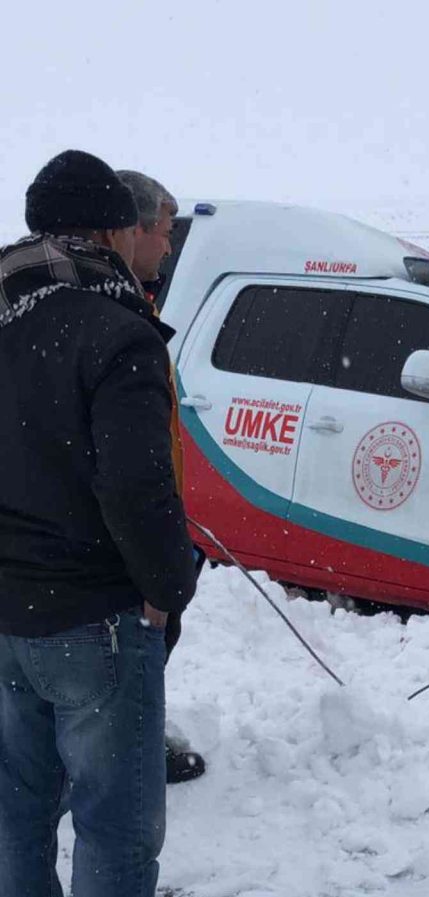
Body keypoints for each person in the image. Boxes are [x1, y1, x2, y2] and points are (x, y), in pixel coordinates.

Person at [0, 150, 197, 897]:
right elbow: (137, 483)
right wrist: (168, 586)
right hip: (96, 617)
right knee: (113, 827)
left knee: (18, 815)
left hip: (10, 614)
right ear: (116, 232)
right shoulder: (117, 329)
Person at [118, 168, 207, 785]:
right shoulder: (111, 317)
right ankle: (126, 742)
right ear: (133, 230)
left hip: (146, 511)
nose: (171, 247)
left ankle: (130, 728)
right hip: (112, 530)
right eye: (166, 233)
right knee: (135, 634)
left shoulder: (137, 305)